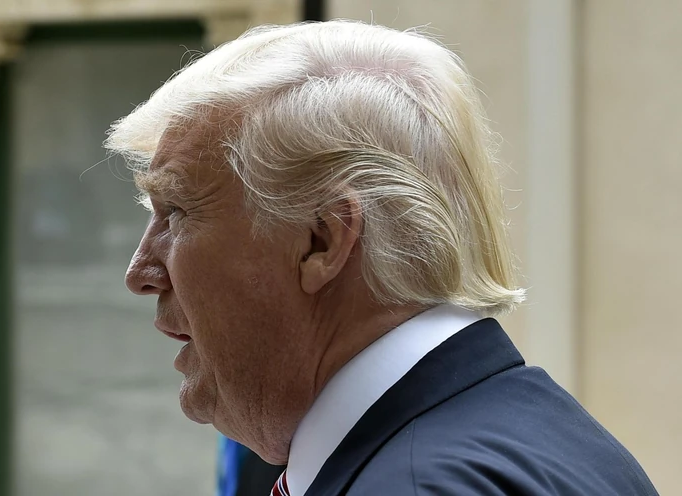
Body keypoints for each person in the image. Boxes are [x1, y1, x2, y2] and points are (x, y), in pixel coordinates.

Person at [109, 20, 658, 496]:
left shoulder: (415, 483)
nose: (140, 273)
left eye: (176, 212)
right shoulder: (548, 436)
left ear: (321, 240)